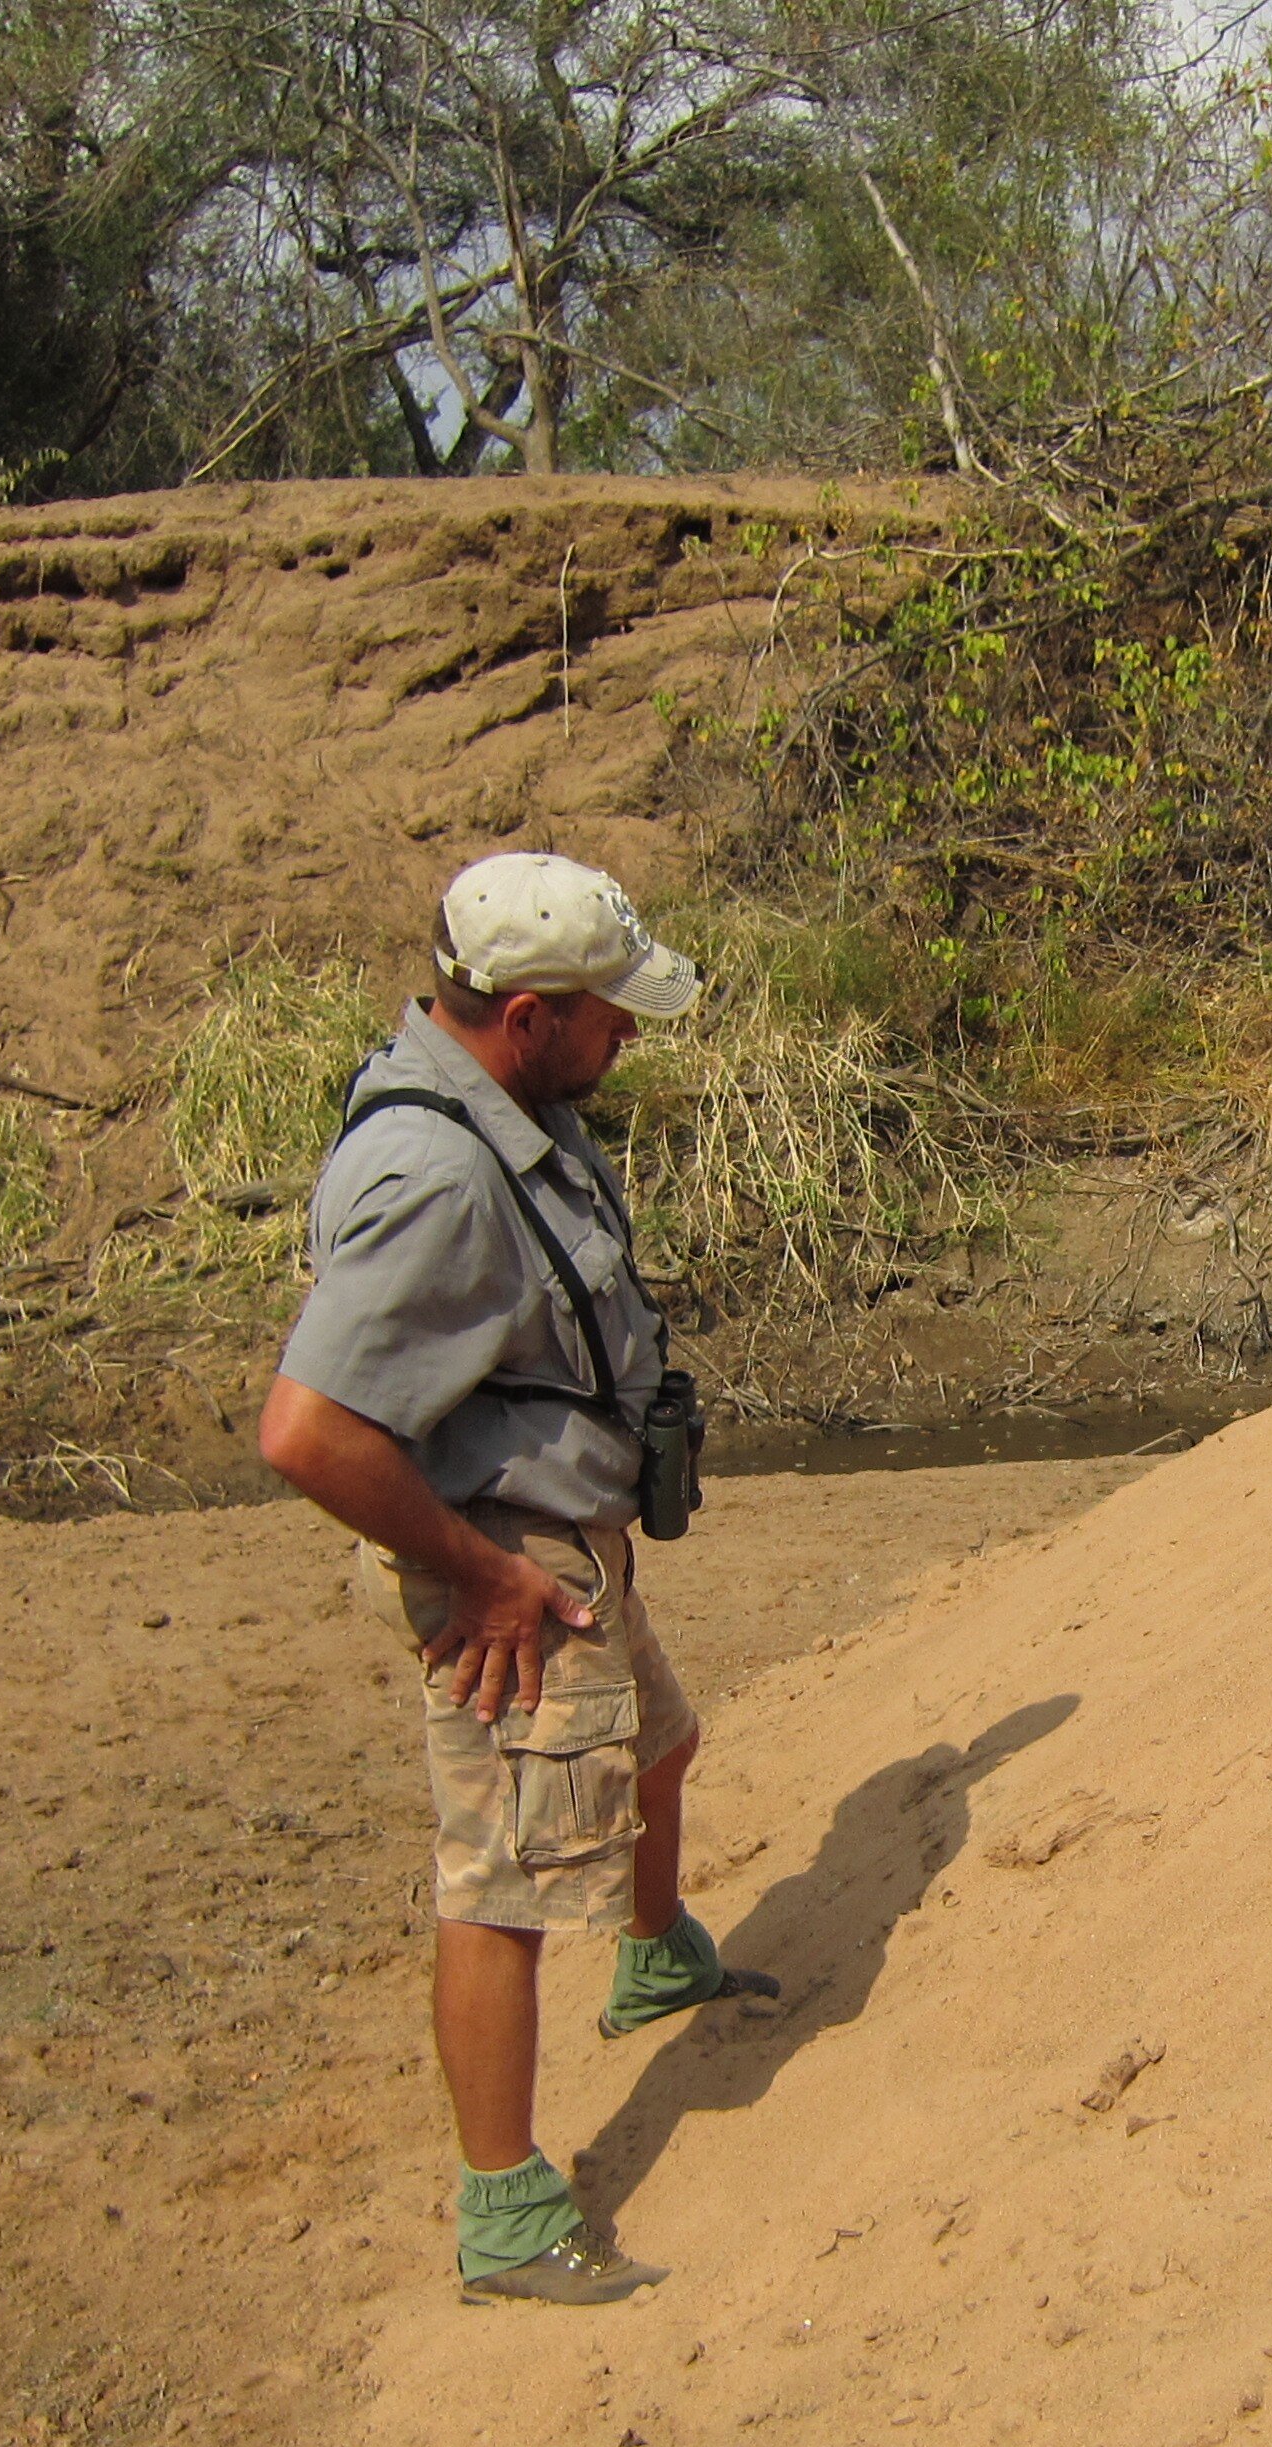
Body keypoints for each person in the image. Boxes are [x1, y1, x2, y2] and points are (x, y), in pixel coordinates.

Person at [256, 852, 774, 2306]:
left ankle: (660, 1955)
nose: (630, 1040)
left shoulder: (504, 1100)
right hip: (510, 1559)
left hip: (565, 1539)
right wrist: (482, 1580)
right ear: (530, 1015)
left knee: (658, 1744)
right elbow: (306, 1430)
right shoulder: (436, 1172)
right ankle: (506, 2215)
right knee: (505, 1883)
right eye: (612, 1017)